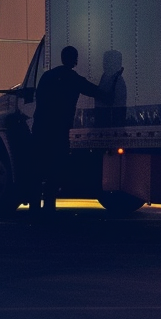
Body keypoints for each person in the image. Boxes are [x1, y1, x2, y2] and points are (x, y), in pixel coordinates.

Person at [30, 46, 112, 218]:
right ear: (73, 59)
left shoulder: (47, 77)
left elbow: (39, 100)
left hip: (39, 130)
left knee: (37, 170)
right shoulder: (72, 78)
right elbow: (94, 91)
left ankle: (34, 208)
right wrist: (111, 88)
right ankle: (49, 208)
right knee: (54, 169)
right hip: (58, 132)